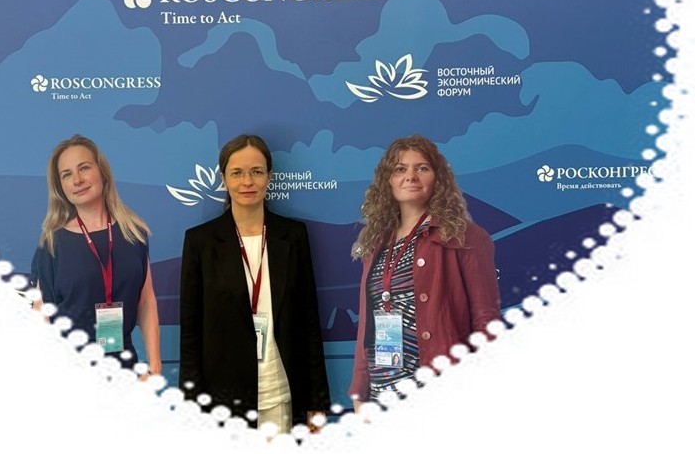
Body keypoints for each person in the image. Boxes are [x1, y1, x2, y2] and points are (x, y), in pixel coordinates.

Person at [179, 134, 331, 433]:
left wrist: (317, 400)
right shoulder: (201, 241)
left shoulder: (293, 235)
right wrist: (191, 403)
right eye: (237, 173)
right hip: (223, 400)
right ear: (223, 179)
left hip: (280, 393)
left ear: (269, 177)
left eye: (256, 172)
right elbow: (191, 331)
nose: (247, 181)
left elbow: (309, 323)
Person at [348, 134, 501, 409]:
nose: (410, 176)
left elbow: (486, 321)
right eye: (400, 169)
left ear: (437, 178)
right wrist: (360, 391)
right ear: (388, 181)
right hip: (382, 393)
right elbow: (367, 325)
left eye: (422, 168)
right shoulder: (376, 243)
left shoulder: (465, 237)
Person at [31, 134, 161, 378]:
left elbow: (146, 301)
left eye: (84, 168)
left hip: (125, 370)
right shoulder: (52, 243)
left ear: (102, 172)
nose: (77, 180)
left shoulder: (134, 233)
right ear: (60, 187)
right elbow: (41, 316)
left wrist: (154, 366)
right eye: (67, 174)